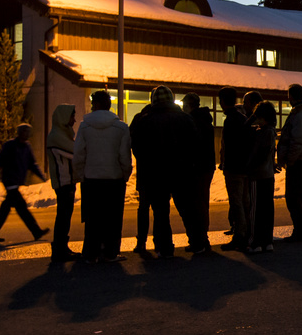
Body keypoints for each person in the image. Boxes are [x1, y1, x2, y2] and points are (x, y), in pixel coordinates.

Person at [130, 85, 208, 257]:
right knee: (187, 209)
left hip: (155, 173)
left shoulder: (145, 120)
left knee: (160, 211)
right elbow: (196, 144)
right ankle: (197, 243)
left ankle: (164, 247)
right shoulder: (185, 119)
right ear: (172, 100)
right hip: (182, 172)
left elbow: (137, 147)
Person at [73, 89, 132, 263]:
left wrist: (80, 174)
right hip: (114, 179)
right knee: (113, 219)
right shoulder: (121, 127)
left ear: (95, 105)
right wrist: (125, 174)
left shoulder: (85, 126)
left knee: (92, 218)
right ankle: (111, 252)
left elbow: (79, 154)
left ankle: (91, 253)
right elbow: (124, 156)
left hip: (91, 179)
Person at [0, 123, 48, 244]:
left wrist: (41, 176)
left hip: (16, 181)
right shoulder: (10, 145)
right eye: (25, 131)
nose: (27, 134)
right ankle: (36, 231)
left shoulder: (27, 147)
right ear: (20, 132)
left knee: (8, 209)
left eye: (28, 132)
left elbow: (32, 164)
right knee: (22, 208)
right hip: (9, 181)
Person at [276, 83, 302, 242]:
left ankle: (301, 230)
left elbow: (298, 140)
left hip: (299, 160)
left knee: (293, 197)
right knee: (301, 195)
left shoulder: (299, 115)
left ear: (291, 96)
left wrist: (289, 159)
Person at [218, 87, 252, 250]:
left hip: (234, 168)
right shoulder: (242, 118)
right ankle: (245, 233)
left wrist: (225, 164)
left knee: (236, 202)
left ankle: (240, 235)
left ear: (222, 101)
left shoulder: (231, 120)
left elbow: (230, 147)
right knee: (244, 202)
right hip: (244, 167)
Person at [45, 105, 80, 262]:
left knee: (65, 216)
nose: (74, 120)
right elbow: (75, 152)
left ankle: (61, 248)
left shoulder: (62, 134)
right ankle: (59, 249)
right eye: (72, 117)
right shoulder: (57, 137)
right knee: (63, 217)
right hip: (63, 182)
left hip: (67, 181)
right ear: (64, 118)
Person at [245, 99, 277, 253]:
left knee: (255, 209)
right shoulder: (271, 131)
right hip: (268, 174)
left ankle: (255, 241)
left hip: (257, 175)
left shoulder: (262, 132)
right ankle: (267, 240)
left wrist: (249, 167)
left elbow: (244, 127)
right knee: (267, 208)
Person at [183, 93, 216, 240]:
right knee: (203, 201)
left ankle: (200, 236)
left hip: (197, 167)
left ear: (189, 106)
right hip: (207, 165)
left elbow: (192, 146)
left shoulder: (192, 122)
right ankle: (203, 234)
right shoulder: (206, 120)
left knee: (196, 203)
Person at [130, 101, 155, 252]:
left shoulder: (139, 119)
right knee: (161, 208)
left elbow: (132, 142)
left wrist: (141, 157)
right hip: (161, 170)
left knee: (143, 207)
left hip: (145, 170)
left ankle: (141, 241)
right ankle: (163, 243)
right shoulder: (162, 118)